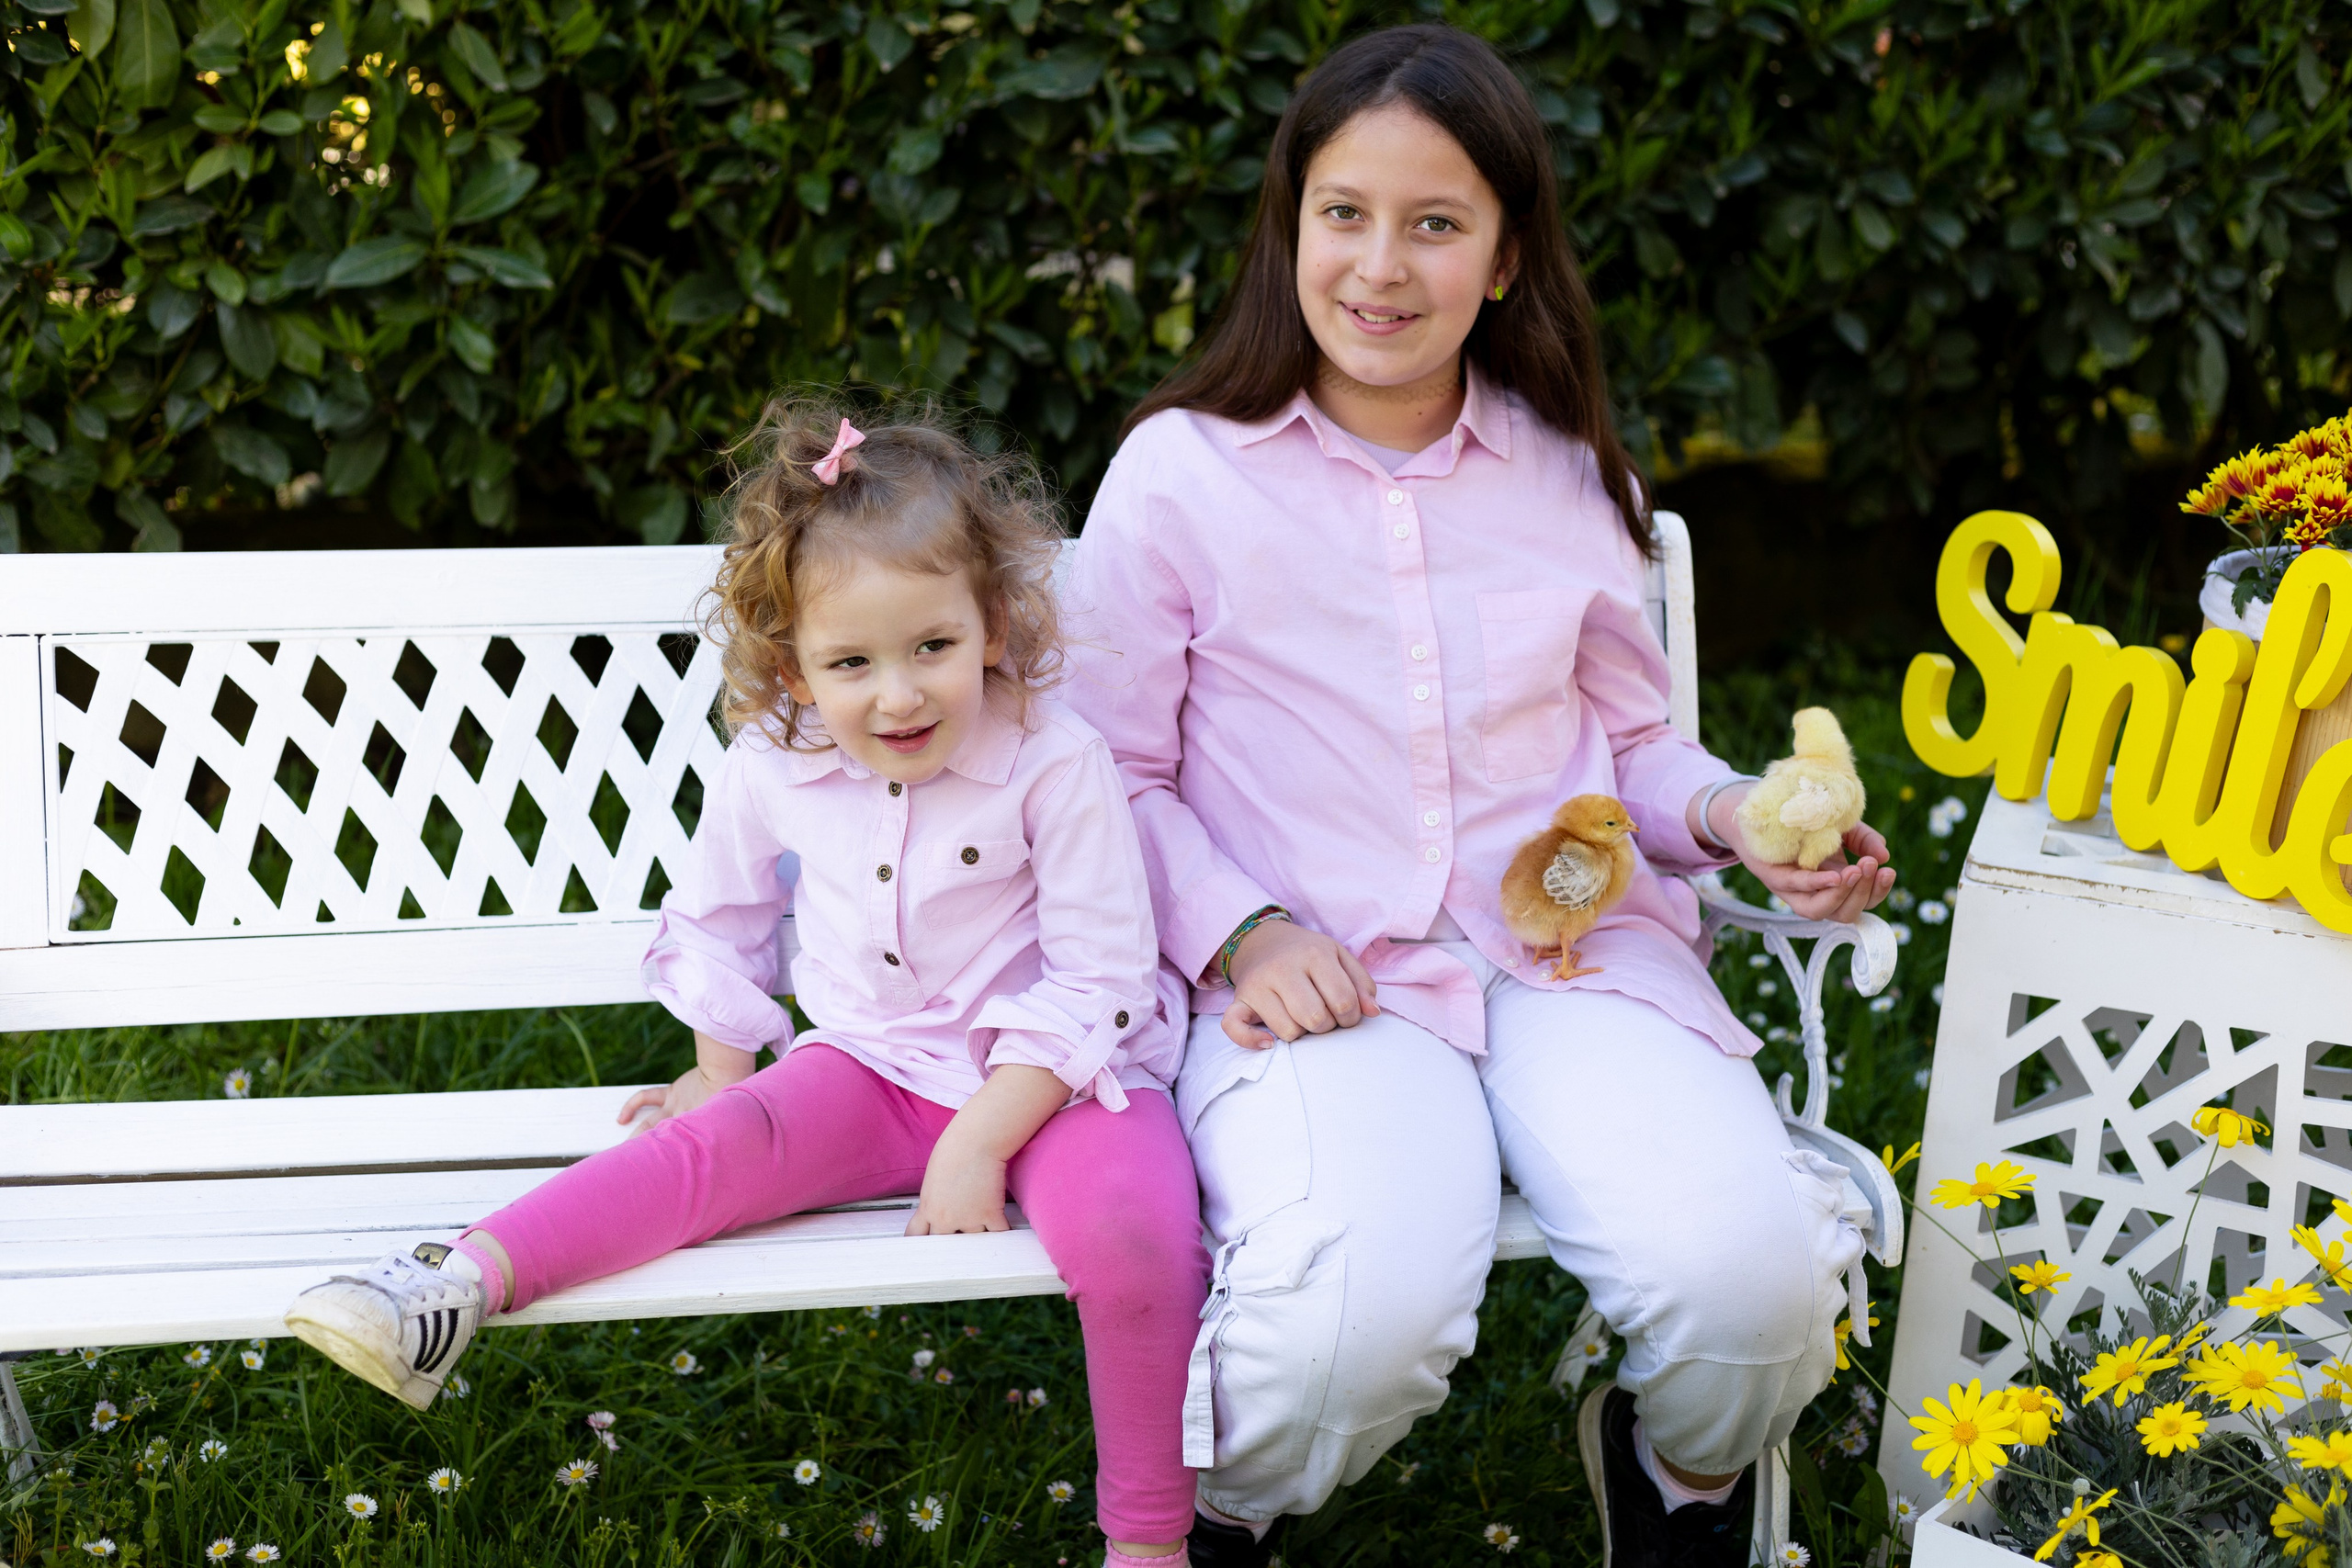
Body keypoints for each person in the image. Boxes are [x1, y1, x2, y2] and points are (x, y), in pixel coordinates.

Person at [1061, 25, 1897, 1568]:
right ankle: (1219, 1519)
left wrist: (1741, 822)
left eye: (1436, 223)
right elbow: (1104, 775)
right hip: (1317, 978)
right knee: (1350, 1327)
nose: (1381, 266)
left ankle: (1680, 1482)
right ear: (1291, 224)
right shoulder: (1181, 474)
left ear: (1505, 257)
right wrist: (1243, 930)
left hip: (1574, 950)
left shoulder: (1564, 471)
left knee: (1757, 1284)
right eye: (1344, 212)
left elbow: (1633, 750)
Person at [286, 402, 1210, 1566]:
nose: (898, 696)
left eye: (932, 646)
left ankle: (1149, 1547)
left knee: (1141, 1244)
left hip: (1059, 1081)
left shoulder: (1055, 760)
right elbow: (720, 920)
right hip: (870, 1065)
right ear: (792, 668)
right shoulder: (774, 762)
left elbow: (1101, 977)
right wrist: (720, 1071)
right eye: (851, 663)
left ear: (993, 626)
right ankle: (455, 1284)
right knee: (706, 1147)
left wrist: (980, 1139)